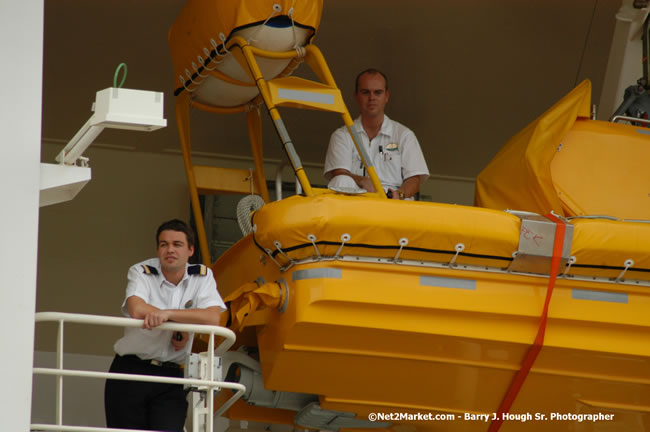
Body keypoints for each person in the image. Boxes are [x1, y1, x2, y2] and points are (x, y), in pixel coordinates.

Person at [104, 219, 226, 431]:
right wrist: (180, 324)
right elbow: (136, 308)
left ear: (190, 250)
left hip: (172, 377)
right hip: (131, 371)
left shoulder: (202, 277)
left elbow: (212, 317)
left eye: (177, 244)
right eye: (164, 244)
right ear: (158, 249)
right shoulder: (141, 271)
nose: (170, 250)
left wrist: (167, 314)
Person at [324, 68, 429, 199]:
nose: (372, 98)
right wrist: (362, 180)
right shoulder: (342, 135)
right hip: (356, 203)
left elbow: (415, 179)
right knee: (341, 180)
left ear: (387, 96)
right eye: (365, 92)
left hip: (392, 205)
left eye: (377, 92)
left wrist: (399, 194)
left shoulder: (404, 135)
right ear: (356, 96)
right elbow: (339, 174)